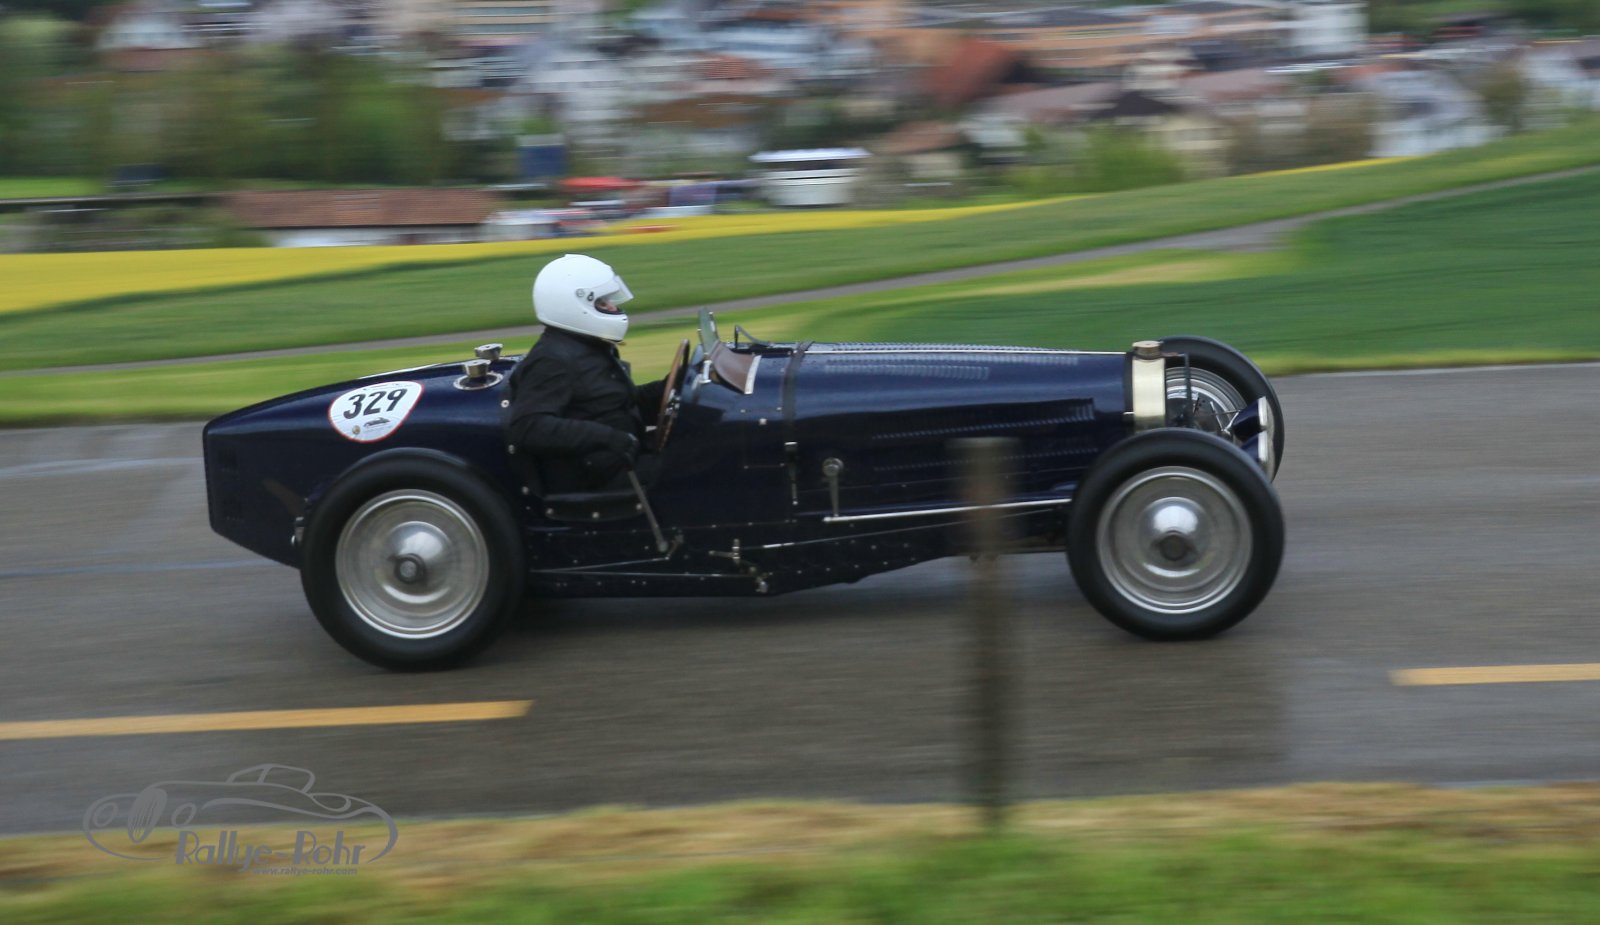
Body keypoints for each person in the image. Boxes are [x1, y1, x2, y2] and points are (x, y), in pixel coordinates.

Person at [505, 254, 666, 494]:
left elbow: (620, 404)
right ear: (574, 305)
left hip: (622, 458)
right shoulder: (552, 359)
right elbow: (529, 426)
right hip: (599, 477)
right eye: (602, 302)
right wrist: (610, 438)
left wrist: (672, 386)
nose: (612, 307)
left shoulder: (589, 347)